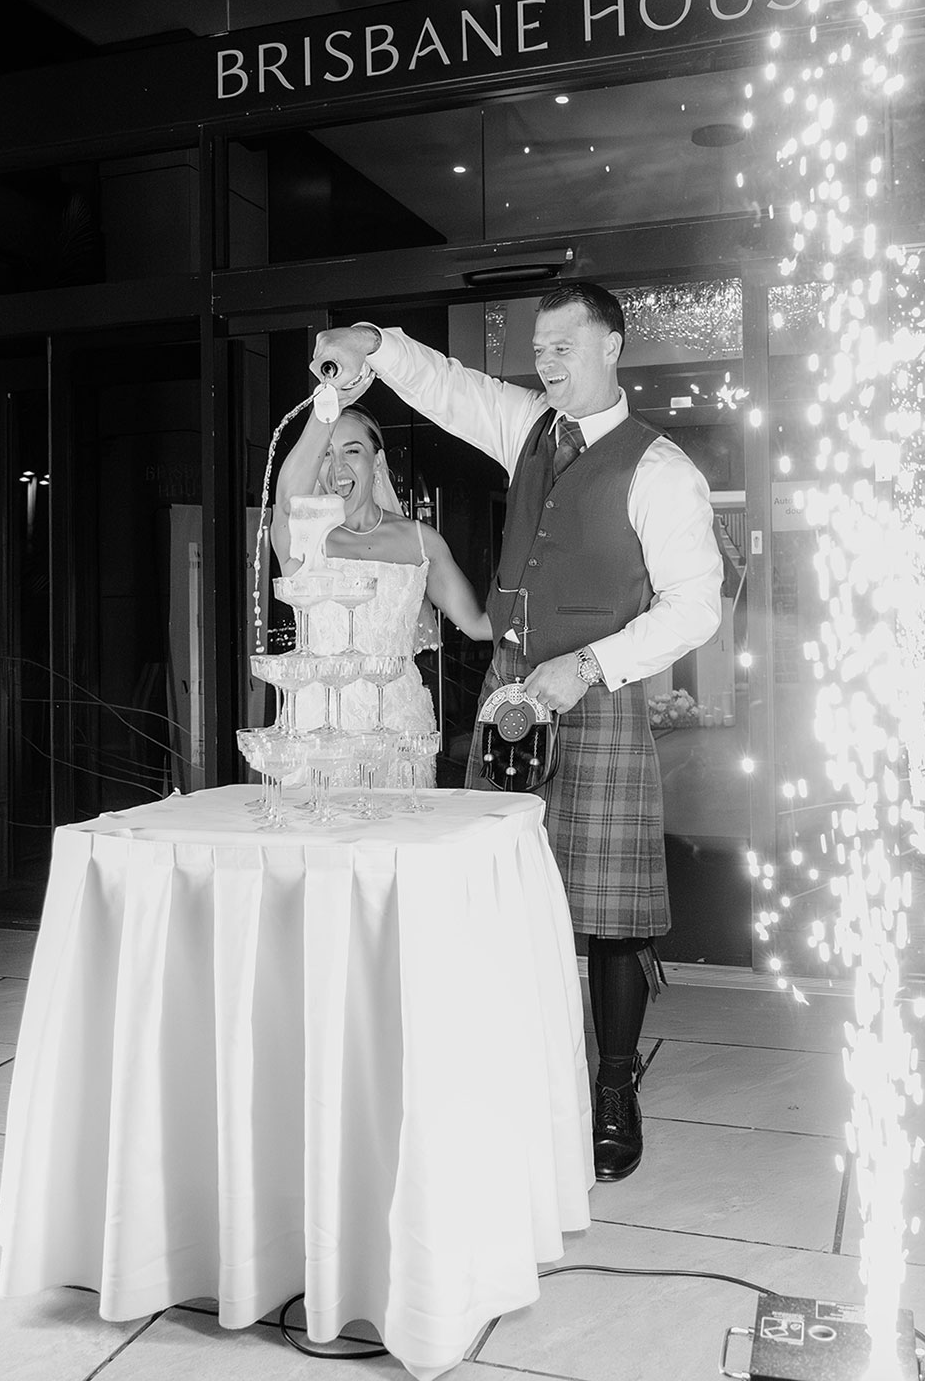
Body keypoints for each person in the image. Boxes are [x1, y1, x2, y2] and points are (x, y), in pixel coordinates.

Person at [310, 283, 722, 1182]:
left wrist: (589, 667)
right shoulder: (528, 426)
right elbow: (447, 385)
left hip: (599, 695)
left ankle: (613, 1089)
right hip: (509, 692)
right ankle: (505, 1076)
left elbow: (695, 608)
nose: (547, 363)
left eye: (565, 347)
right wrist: (372, 339)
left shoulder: (661, 469)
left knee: (610, 914)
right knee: (493, 887)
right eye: (540, 349)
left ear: (613, 345)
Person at [272, 397, 491, 766]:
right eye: (325, 454)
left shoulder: (420, 540)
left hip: (400, 725)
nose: (337, 468)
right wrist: (330, 399)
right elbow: (288, 501)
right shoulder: (304, 537)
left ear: (377, 461)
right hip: (317, 728)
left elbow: (479, 624)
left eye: (352, 451)